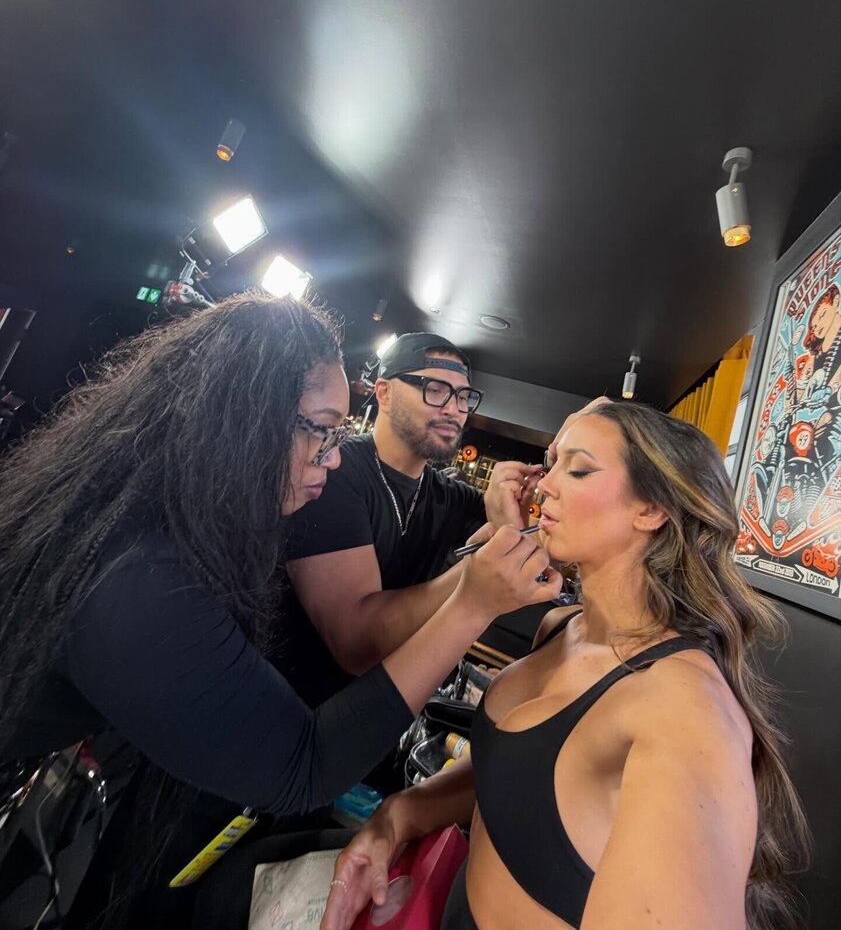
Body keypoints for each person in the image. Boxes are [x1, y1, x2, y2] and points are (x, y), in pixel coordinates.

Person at [0, 294, 560, 925]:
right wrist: (471, 602)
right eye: (321, 429)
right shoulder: (140, 577)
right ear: (243, 418)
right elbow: (306, 759)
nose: (333, 455)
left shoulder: (167, 519)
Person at [322, 400, 810, 930]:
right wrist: (397, 816)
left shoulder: (685, 711)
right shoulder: (561, 626)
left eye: (577, 470)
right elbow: (512, 769)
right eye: (552, 464)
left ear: (651, 510)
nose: (545, 485)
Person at [282, 332, 544, 706]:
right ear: (385, 393)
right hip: (293, 710)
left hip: (382, 715)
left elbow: (541, 547)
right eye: (435, 390)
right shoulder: (333, 474)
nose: (454, 409)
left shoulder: (449, 495)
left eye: (463, 396)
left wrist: (518, 515)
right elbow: (355, 644)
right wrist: (475, 576)